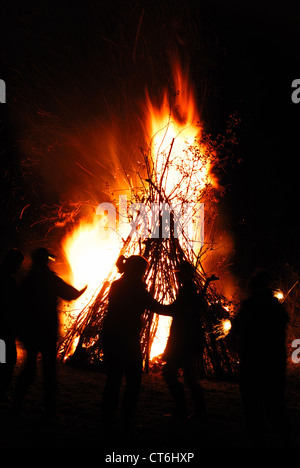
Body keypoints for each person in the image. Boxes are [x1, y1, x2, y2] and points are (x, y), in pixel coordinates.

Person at [13, 248, 87, 417]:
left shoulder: (29, 279)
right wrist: (83, 289)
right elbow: (71, 294)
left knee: (30, 366)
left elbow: (19, 303)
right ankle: (49, 408)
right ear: (45, 260)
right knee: (49, 369)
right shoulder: (49, 279)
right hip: (46, 330)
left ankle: (17, 403)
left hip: (31, 331)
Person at [101, 254, 169, 431]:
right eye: (142, 270)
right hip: (126, 337)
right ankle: (126, 418)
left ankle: (108, 416)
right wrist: (179, 310)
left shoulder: (118, 284)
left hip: (110, 334)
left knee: (113, 378)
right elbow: (155, 306)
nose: (144, 273)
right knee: (133, 379)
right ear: (137, 270)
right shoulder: (135, 287)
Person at [231, 269, 289, 447]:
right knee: (275, 402)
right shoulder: (277, 308)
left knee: (252, 404)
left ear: (253, 288)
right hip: (274, 362)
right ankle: (283, 437)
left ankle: (258, 438)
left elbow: (236, 331)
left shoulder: (249, 307)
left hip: (253, 363)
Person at [160, 261, 218, 421]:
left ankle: (190, 411)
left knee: (181, 376)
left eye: (180, 272)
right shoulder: (188, 289)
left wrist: (156, 307)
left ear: (186, 274)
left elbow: (179, 309)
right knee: (182, 376)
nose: (177, 275)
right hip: (186, 341)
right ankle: (191, 411)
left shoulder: (189, 290)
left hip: (185, 341)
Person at [0, 249, 24, 401]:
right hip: (3, 333)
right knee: (5, 361)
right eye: (18, 264)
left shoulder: (7, 279)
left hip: (6, 331)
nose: (19, 268)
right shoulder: (6, 282)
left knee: (6, 361)